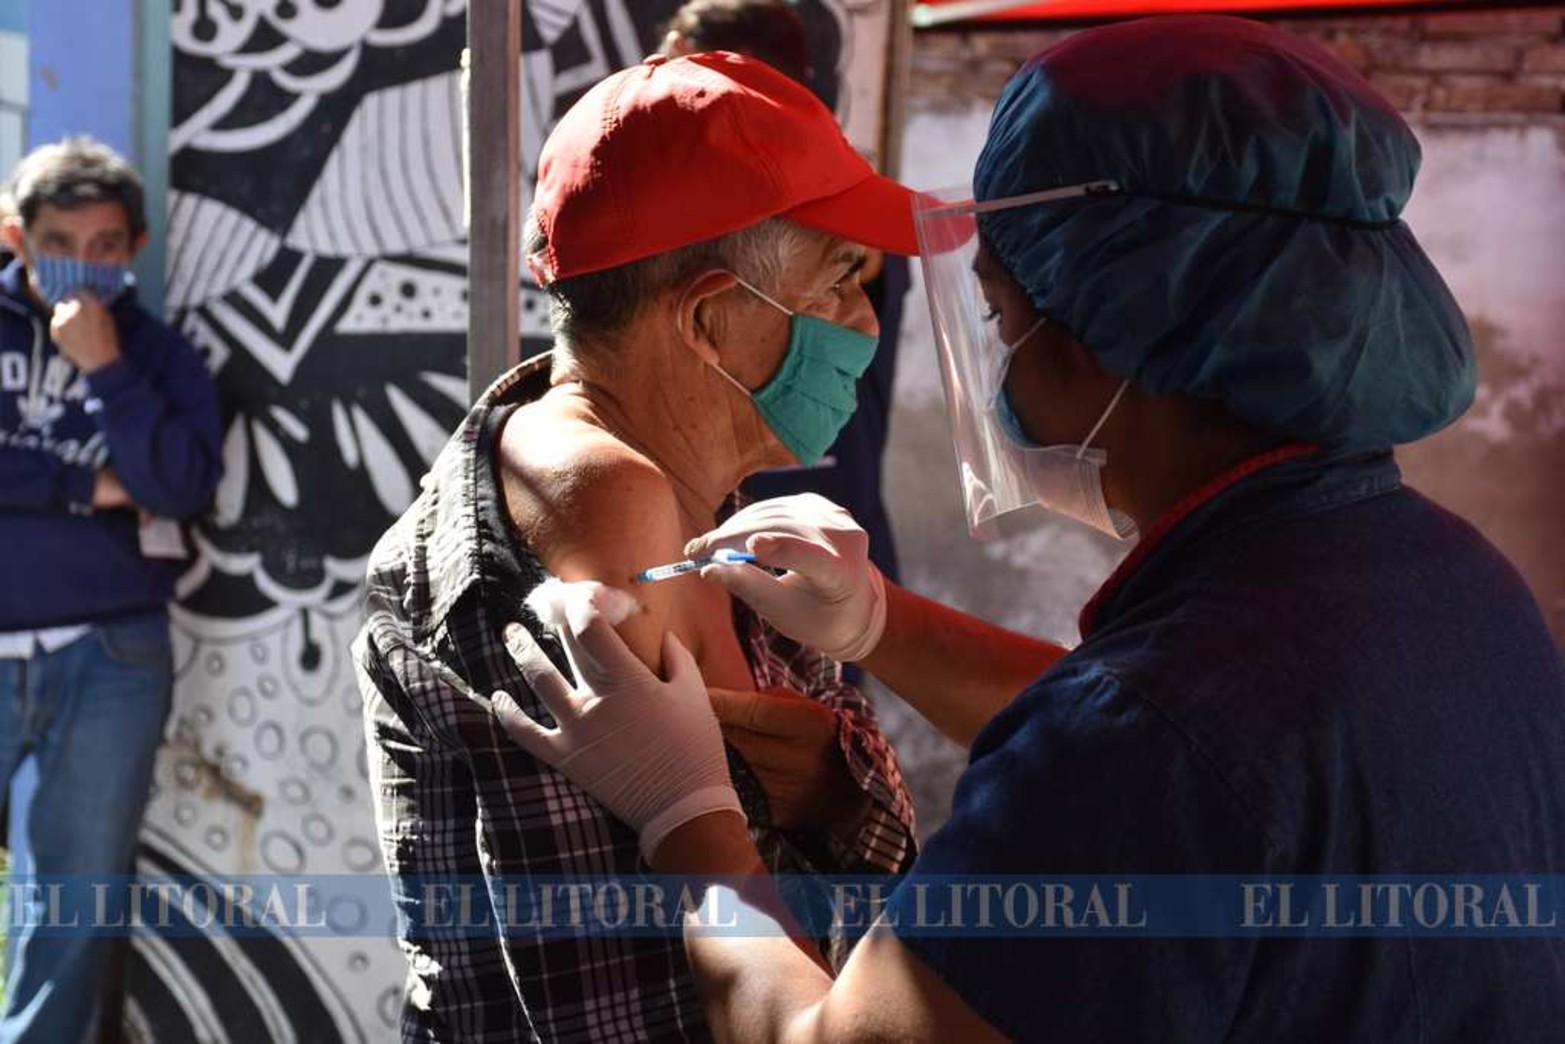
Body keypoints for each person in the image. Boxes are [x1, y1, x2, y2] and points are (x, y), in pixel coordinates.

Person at [493, 16, 1565, 1041]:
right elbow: (1195, 771)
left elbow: (1138, 765)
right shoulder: (1463, 588)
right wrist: (877, 624)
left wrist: (685, 815)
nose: (992, 368)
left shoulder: (1148, 738)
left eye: (1001, 320)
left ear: (1115, 335)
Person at [353, 53, 917, 1042]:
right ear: (705, 319)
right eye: (835, 288)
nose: (863, 324)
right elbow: (616, 1007)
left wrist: (830, 775)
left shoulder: (692, 486)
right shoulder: (606, 500)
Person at [0, 137, 223, 1041]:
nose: (84, 267)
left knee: (75, 900)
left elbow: (179, 486)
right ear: (17, 238)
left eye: (105, 246)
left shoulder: (156, 357)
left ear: (133, 247)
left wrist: (103, 368)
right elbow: (125, 481)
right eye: (61, 241)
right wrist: (78, 485)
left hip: (112, 657)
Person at [661, 0, 911, 621]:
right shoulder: (671, 250)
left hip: (822, 557)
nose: (856, 315)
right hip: (708, 568)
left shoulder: (830, 216)